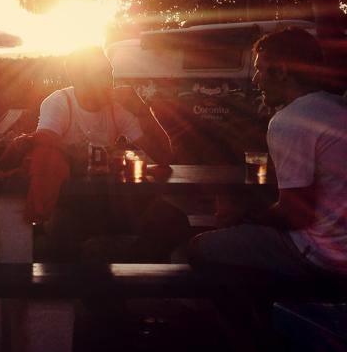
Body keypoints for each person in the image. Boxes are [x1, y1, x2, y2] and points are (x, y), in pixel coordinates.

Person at [189, 28, 347, 279]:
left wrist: (245, 217)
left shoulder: (290, 120)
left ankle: (256, 317)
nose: (255, 80)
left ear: (282, 71)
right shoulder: (336, 107)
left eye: (260, 69)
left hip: (323, 255)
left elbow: (295, 215)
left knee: (200, 248)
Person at [33, 46, 185, 261]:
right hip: (69, 200)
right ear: (77, 78)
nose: (109, 80)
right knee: (62, 234)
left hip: (112, 200)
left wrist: (141, 110)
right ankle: (97, 278)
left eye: (109, 72)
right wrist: (94, 154)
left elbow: (164, 157)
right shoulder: (60, 102)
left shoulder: (118, 107)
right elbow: (44, 142)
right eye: (100, 74)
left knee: (173, 220)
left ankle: (122, 266)